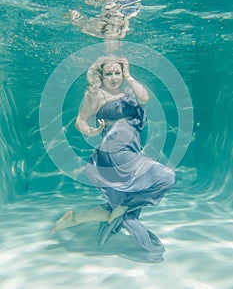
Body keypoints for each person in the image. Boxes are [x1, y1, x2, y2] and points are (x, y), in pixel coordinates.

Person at [51, 56, 175, 253]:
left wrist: (129, 76)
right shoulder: (97, 95)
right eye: (109, 74)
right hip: (114, 153)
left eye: (117, 73)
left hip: (132, 151)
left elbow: (144, 98)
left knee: (120, 206)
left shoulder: (129, 92)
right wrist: (90, 131)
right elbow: (81, 120)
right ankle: (128, 218)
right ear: (101, 76)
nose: (114, 77)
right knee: (166, 177)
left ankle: (75, 219)